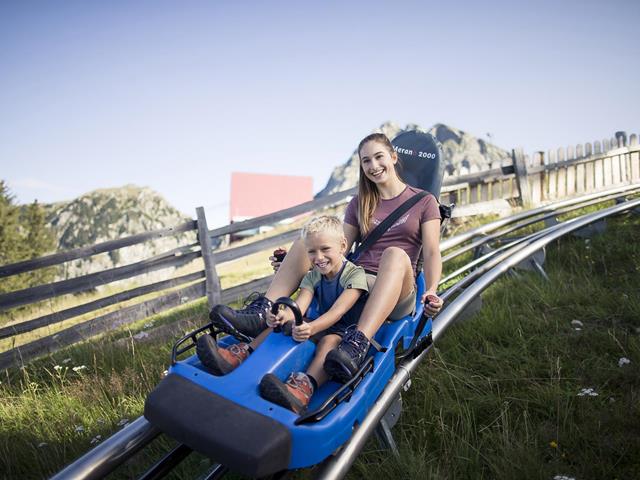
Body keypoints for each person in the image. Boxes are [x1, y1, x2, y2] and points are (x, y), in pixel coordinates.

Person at [208, 132, 443, 383]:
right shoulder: (360, 203)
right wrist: (299, 261)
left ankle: (358, 343)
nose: (373, 166)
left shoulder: (424, 201)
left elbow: (431, 252)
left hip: (396, 288)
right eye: (366, 161)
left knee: (394, 254)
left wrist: (431, 290)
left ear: (393, 157)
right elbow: (337, 246)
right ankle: (261, 312)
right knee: (305, 241)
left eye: (379, 157)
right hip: (354, 282)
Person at [196, 216, 368, 412]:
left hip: (344, 333)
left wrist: (311, 327)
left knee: (329, 342)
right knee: (281, 325)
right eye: (312, 252)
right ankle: (242, 353)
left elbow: (339, 312)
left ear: (343, 245)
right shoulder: (313, 276)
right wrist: (281, 316)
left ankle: (304, 388)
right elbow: (301, 303)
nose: (318, 257)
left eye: (325, 249)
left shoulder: (355, 274)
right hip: (315, 323)